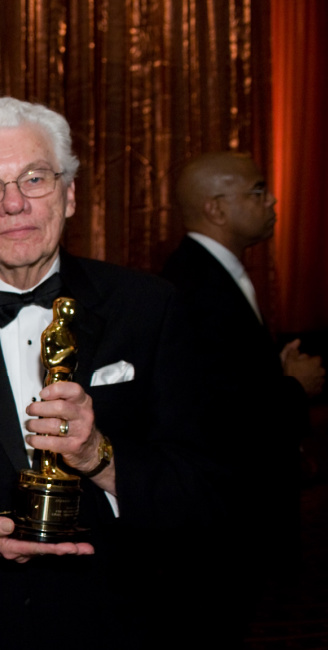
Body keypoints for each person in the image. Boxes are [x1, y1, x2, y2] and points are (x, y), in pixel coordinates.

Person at [0, 96, 221, 648]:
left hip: (122, 621)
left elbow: (203, 483)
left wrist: (100, 458)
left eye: (34, 179)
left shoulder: (151, 308)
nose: (14, 204)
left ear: (69, 194)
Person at [161, 151, 324, 642]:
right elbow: (220, 413)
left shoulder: (214, 273)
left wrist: (273, 371)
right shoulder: (194, 286)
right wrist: (296, 386)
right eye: (257, 191)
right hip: (220, 519)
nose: (271, 200)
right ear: (215, 208)